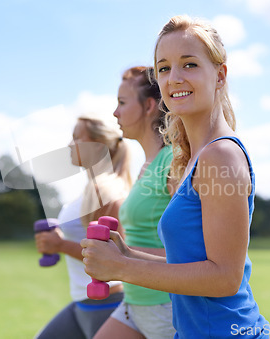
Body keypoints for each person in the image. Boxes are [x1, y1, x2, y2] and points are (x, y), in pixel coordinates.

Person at [81, 15, 270, 338]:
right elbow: (189, 261)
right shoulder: (195, 157)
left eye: (190, 64)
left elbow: (224, 278)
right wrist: (126, 254)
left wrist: (121, 268)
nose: (174, 78)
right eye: (164, 68)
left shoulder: (221, 155)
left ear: (220, 75)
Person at [93, 66, 177, 339]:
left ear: (149, 106)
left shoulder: (174, 162)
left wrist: (121, 255)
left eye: (122, 102)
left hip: (165, 308)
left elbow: (193, 256)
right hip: (133, 303)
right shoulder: (147, 166)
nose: (115, 113)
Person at [34, 112, 132, 339]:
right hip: (82, 302)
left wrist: (60, 245)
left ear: (98, 146)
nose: (70, 144)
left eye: (77, 138)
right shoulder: (92, 189)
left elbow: (114, 255)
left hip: (107, 304)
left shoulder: (104, 190)